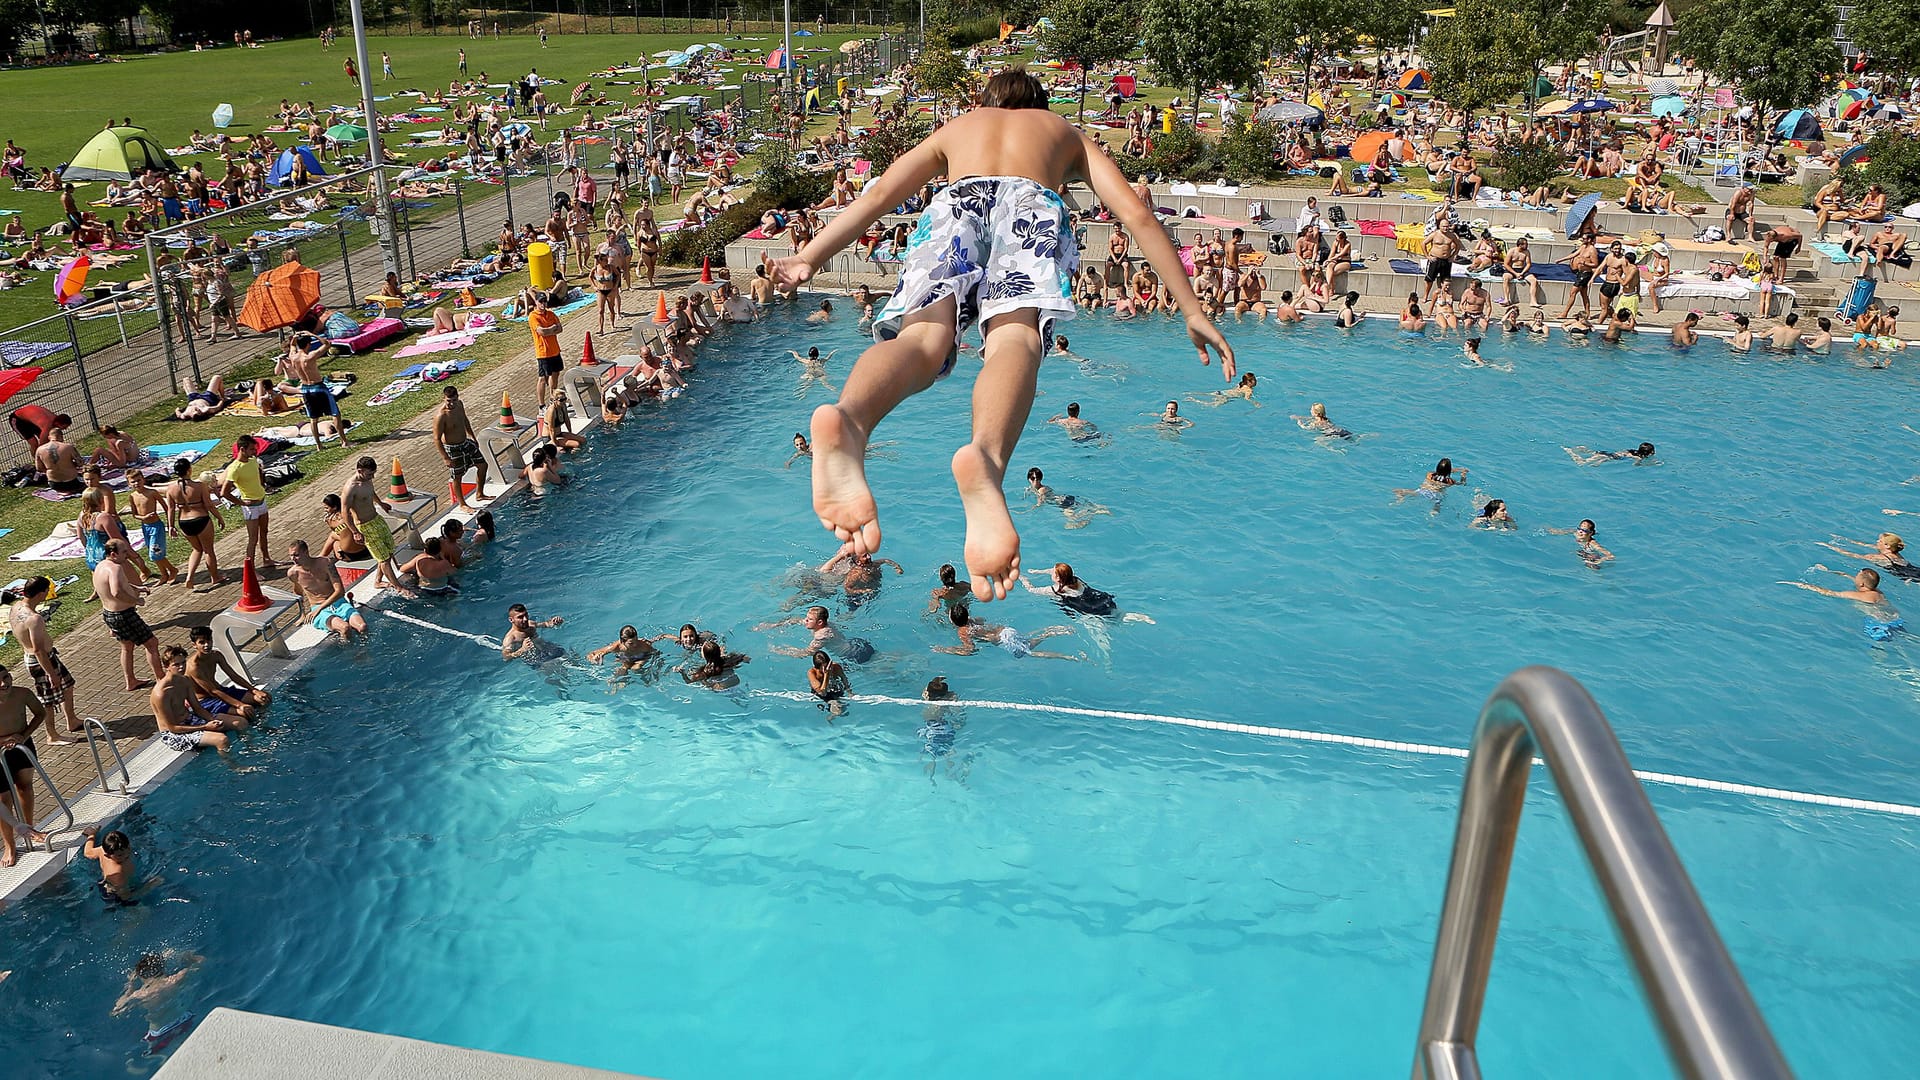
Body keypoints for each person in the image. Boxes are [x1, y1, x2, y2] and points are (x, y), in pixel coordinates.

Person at [768, 69, 1233, 605]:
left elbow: (876, 198)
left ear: (985, 103)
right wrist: (1191, 308)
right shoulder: (1064, 131)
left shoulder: (958, 128)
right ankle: (984, 459)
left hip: (955, 206)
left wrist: (809, 257)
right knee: (1016, 343)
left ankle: (848, 419)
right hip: (1031, 209)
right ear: (1039, 103)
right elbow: (1135, 214)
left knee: (922, 340)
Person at [95, 540, 163, 693]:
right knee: (151, 643)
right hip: (123, 615)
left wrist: (137, 588)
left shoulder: (101, 567)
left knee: (127, 647)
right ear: (113, 554)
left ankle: (130, 680)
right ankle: (161, 678)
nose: (127, 555)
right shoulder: (115, 568)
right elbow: (116, 592)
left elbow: (119, 584)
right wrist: (136, 600)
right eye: (124, 552)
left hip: (109, 614)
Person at [0, 664, 50, 865]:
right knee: (4, 799)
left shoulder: (22, 694)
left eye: (6, 677)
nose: (4, 683)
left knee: (25, 787)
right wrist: (5, 741)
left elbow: (40, 713)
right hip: (0, 752)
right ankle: (10, 845)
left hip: (22, 746)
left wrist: (24, 735)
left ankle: (30, 829)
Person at [152, 645, 243, 753]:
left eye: (183, 663)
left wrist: (212, 720)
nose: (181, 667)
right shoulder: (161, 694)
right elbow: (172, 727)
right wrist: (205, 726)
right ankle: (234, 767)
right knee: (221, 739)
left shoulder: (185, 681)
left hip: (191, 719)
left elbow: (198, 708)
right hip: (174, 734)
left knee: (240, 722)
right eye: (176, 665)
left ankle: (249, 750)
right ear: (167, 666)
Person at [343, 456, 411, 595]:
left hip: (376, 519)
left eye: (373, 474)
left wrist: (381, 503)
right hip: (365, 526)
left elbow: (371, 493)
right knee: (384, 558)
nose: (372, 477)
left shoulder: (367, 480)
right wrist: (355, 532)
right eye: (369, 474)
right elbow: (345, 512)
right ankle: (398, 587)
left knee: (390, 549)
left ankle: (378, 581)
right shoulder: (351, 488)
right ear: (359, 470)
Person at [1782, 567, 1902, 639]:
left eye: (1856, 577)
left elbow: (1830, 593)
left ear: (1861, 584)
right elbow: (1864, 583)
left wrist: (1805, 586)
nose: (1854, 578)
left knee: (1880, 649)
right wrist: (1842, 574)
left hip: (1878, 624)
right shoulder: (1878, 593)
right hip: (1894, 619)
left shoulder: (1857, 595)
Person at [934, 602, 1081, 660]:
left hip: (1003, 641)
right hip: (1007, 631)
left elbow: (969, 650)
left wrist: (946, 650)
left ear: (953, 621)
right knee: (1027, 641)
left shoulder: (962, 631)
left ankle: (1067, 657)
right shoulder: (972, 620)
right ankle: (1052, 632)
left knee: (1029, 653)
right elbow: (982, 620)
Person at [287, 539, 367, 644]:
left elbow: (340, 591)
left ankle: (365, 651)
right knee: (345, 628)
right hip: (319, 609)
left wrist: (320, 608)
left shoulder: (325, 563)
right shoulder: (293, 573)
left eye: (296, 555)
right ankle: (351, 653)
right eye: (291, 556)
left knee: (362, 627)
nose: (293, 559)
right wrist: (302, 614)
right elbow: (298, 593)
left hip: (338, 603)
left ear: (306, 552)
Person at [186, 625, 271, 719]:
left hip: (221, 691)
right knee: (244, 712)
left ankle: (264, 720)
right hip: (206, 700)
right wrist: (240, 705)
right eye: (202, 642)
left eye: (209, 640)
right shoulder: (193, 666)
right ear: (194, 645)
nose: (207, 645)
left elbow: (233, 675)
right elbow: (212, 691)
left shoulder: (216, 655)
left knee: (264, 698)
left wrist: (254, 690)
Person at [219, 437, 273, 569]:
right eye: (252, 449)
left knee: (264, 532)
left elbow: (258, 470)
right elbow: (224, 492)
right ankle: (251, 570)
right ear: (242, 449)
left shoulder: (253, 460)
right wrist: (241, 502)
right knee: (252, 539)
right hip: (250, 508)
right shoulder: (234, 468)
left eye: (255, 449)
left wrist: (262, 484)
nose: (255, 452)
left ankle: (267, 559)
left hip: (261, 502)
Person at [435, 385, 490, 511]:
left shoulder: (460, 404)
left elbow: (465, 420)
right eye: (449, 401)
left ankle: (479, 493)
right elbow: (436, 439)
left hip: (465, 443)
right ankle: (462, 504)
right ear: (444, 399)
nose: (452, 404)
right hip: (452, 448)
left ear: (457, 397)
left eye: (454, 400)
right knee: (457, 476)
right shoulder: (441, 416)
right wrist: (445, 458)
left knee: (483, 465)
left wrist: (473, 437)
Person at [757, 605, 876, 664]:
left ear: (819, 622)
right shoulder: (827, 623)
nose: (805, 620)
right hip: (856, 643)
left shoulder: (822, 636)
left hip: (853, 655)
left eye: (809, 619)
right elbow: (796, 620)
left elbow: (806, 653)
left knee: (878, 666)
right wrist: (774, 625)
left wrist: (780, 651)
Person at [819, 545, 903, 611]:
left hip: (872, 589)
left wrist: (897, 567)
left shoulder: (875, 564)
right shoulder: (855, 574)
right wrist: (862, 591)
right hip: (856, 596)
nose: (869, 557)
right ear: (858, 562)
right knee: (853, 611)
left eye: (868, 554)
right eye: (865, 556)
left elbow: (886, 560)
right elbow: (847, 588)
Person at [82, 826, 135, 904]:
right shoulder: (116, 874)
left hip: (117, 885)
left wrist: (91, 835)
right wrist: (149, 886)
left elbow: (88, 852)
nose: (126, 855)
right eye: (120, 855)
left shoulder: (103, 849)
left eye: (128, 849)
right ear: (107, 856)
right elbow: (125, 897)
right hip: (113, 894)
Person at [529, 290, 564, 405]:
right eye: (541, 302)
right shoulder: (533, 316)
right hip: (543, 352)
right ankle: (541, 405)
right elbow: (541, 332)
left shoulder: (551, 314)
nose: (543, 304)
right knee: (543, 379)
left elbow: (560, 329)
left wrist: (549, 330)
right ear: (536, 302)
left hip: (555, 350)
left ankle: (553, 398)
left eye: (545, 301)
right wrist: (552, 329)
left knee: (555, 374)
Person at [587, 625, 657, 681]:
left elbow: (655, 653)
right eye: (631, 643)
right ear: (622, 641)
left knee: (636, 668)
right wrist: (594, 659)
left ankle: (648, 680)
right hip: (625, 659)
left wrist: (655, 666)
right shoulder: (615, 647)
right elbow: (592, 654)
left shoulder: (643, 645)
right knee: (621, 670)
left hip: (641, 657)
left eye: (636, 640)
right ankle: (617, 684)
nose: (635, 644)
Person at [500, 603, 564, 662]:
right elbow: (506, 657)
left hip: (549, 648)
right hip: (538, 660)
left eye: (526, 615)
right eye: (520, 617)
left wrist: (554, 622)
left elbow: (545, 624)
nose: (525, 619)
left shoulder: (531, 624)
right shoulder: (510, 639)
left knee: (572, 659)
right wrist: (522, 650)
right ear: (511, 620)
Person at [1394, 458, 1467, 506]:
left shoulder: (1430, 475)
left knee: (1398, 491)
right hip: (1435, 495)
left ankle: (1400, 499)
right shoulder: (1450, 481)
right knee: (1438, 504)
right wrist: (1463, 475)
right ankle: (1433, 512)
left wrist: (1452, 470)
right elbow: (1462, 483)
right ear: (1448, 471)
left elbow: (1440, 473)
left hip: (1423, 491)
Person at [1547, 518, 1614, 568]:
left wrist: (1598, 562)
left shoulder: (1592, 543)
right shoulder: (1576, 533)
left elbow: (1610, 556)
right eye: (1579, 529)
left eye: (1584, 530)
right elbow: (1560, 531)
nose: (1580, 532)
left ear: (1590, 533)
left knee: (1590, 566)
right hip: (1582, 550)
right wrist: (1549, 529)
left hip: (1591, 555)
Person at [683, 639, 749, 689]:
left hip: (721, 689)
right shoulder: (730, 659)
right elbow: (746, 658)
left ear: (704, 656)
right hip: (735, 683)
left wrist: (682, 673)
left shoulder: (703, 671)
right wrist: (724, 656)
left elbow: (689, 682)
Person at [808, 650, 851, 716]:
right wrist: (826, 674)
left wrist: (849, 692)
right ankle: (831, 716)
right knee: (836, 708)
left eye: (828, 665)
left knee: (842, 706)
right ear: (816, 667)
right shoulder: (812, 673)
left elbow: (844, 679)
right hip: (820, 693)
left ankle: (833, 714)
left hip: (834, 688)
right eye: (823, 667)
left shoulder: (836, 667)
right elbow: (822, 693)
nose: (826, 668)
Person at [1564, 442, 1657, 465]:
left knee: (1595, 453)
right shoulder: (1638, 458)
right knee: (1582, 462)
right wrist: (1650, 464)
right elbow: (1636, 465)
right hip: (1611, 457)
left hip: (1610, 454)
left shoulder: (1632, 450)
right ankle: (1570, 452)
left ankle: (1584, 450)